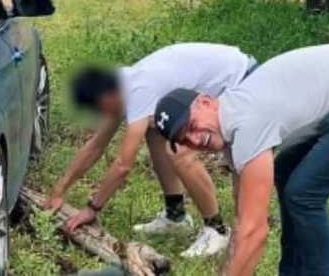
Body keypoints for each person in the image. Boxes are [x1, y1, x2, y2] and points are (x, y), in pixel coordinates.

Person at [154, 43, 329, 276]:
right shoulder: (231, 117)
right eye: (183, 138)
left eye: (191, 125)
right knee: (285, 172)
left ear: (205, 102)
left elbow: (254, 231)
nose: (194, 138)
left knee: (303, 193)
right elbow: (243, 215)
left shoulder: (246, 124)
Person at [45, 43, 257, 257]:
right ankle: (176, 217)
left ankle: (217, 230)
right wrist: (59, 190)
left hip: (241, 81)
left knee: (179, 151)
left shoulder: (138, 91)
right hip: (226, 77)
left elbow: (123, 165)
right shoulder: (121, 85)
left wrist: (93, 208)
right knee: (155, 131)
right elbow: (96, 146)